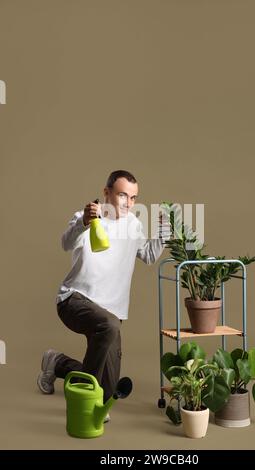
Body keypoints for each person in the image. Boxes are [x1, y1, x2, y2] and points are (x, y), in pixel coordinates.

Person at [37, 170, 170, 418]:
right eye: (122, 195)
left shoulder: (134, 224)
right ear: (106, 192)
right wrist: (84, 222)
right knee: (108, 329)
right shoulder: (88, 216)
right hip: (74, 300)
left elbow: (149, 255)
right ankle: (83, 401)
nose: (128, 203)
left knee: (108, 391)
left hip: (112, 313)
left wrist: (164, 231)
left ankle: (57, 363)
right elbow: (66, 243)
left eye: (133, 198)